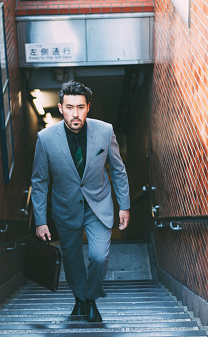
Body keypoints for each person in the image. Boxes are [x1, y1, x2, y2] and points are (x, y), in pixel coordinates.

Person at [31, 80, 130, 322]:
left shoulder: (105, 131)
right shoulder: (45, 139)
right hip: (65, 208)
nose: (75, 113)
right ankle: (80, 299)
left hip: (99, 205)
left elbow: (118, 169)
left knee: (98, 257)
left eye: (80, 107)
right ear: (60, 107)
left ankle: (91, 297)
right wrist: (40, 220)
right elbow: (40, 181)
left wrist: (124, 205)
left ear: (88, 107)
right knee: (73, 259)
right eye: (69, 107)